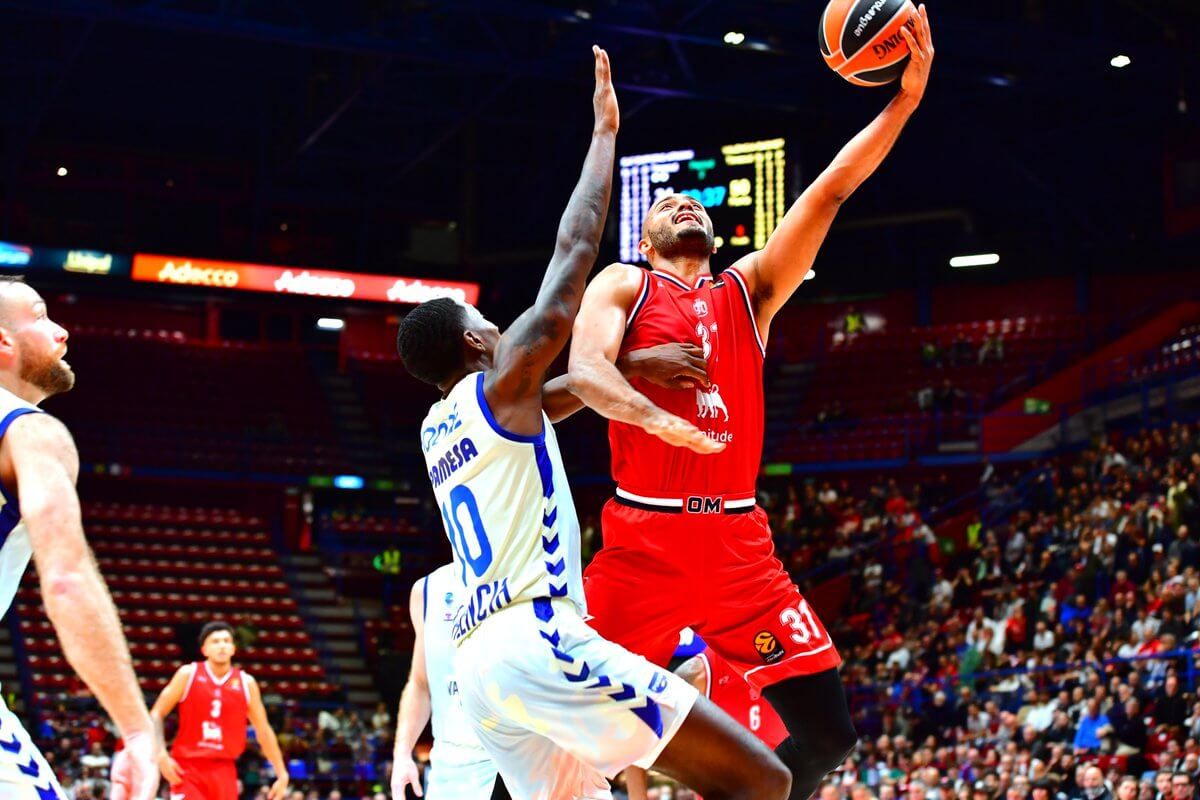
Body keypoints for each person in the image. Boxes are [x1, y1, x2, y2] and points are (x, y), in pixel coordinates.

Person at [395, 47, 790, 800]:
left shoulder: (443, 426)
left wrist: (630, 369)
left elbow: (560, 397)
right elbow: (572, 258)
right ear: (479, 342)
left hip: (480, 671)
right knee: (760, 781)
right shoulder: (501, 378)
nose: (498, 326)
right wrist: (605, 134)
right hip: (536, 636)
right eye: (487, 321)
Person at [565, 10, 935, 800]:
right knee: (558, 732)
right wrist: (660, 413)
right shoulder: (626, 284)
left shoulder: (751, 289)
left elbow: (832, 190)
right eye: (666, 206)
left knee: (829, 734)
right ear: (647, 236)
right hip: (644, 545)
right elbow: (585, 372)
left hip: (739, 547)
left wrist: (902, 102)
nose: (684, 206)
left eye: (693, 204)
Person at [0, 276, 160, 800]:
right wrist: (137, 729)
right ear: (3, 342)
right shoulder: (29, 431)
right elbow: (66, 580)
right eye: (42, 317)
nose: (63, 331)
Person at [151, 621, 289, 800]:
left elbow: (263, 730)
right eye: (215, 641)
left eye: (226, 641)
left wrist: (281, 771)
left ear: (233, 648)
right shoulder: (188, 674)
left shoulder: (246, 683)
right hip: (188, 767)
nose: (222, 645)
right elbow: (156, 714)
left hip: (225, 769)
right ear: (204, 649)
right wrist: (160, 754)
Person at [391, 564, 496, 799]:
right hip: (447, 772)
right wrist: (402, 752)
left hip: (508, 765)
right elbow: (419, 683)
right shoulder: (426, 590)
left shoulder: (527, 576)